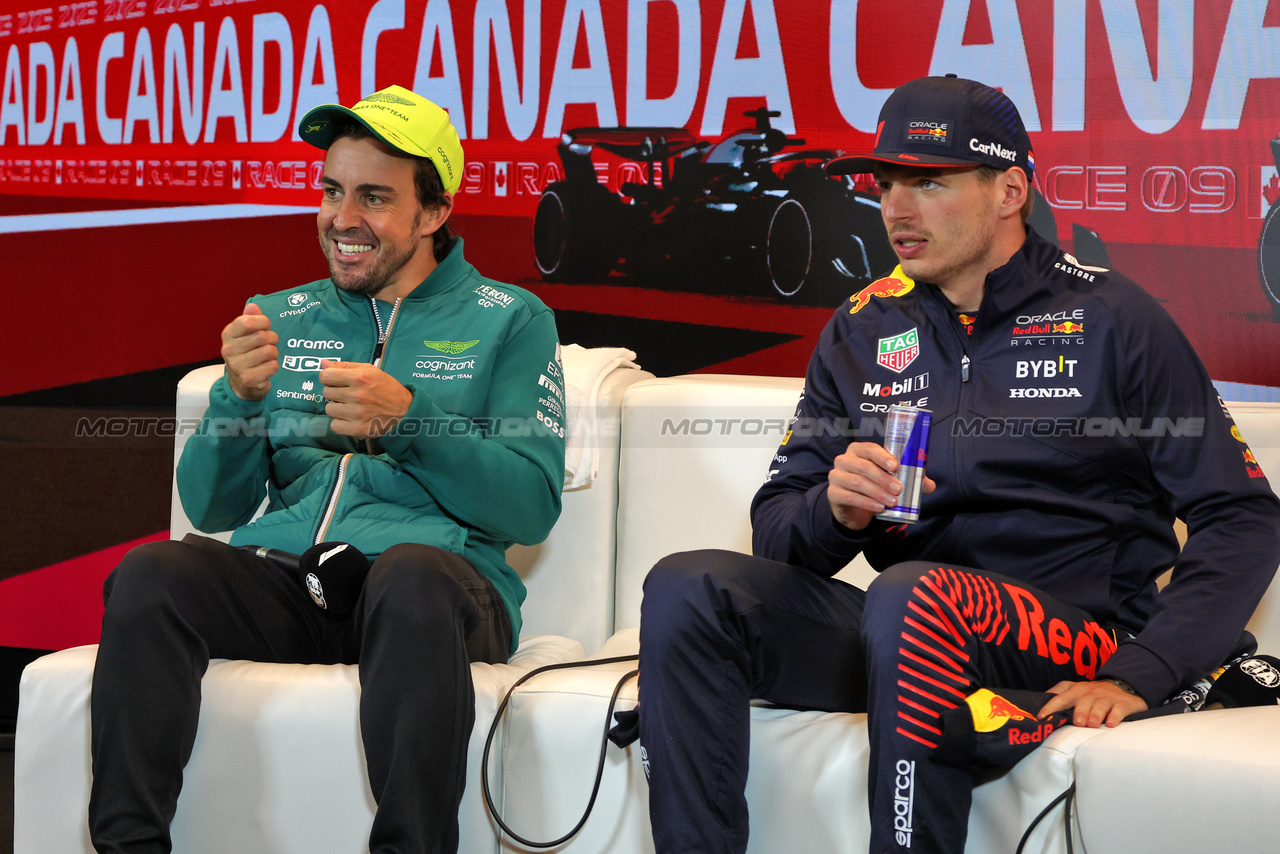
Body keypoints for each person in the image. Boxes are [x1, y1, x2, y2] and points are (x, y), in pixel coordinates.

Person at [635, 74, 1280, 854]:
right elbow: (779, 536)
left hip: (1072, 633)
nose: (896, 210)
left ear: (1010, 188)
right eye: (887, 183)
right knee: (690, 587)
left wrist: (1144, 672)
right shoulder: (863, 326)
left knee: (913, 596)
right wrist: (832, 512)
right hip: (904, 632)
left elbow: (1241, 516)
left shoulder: (1114, 318)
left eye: (929, 183)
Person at [88, 85, 566, 854]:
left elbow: (532, 506)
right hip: (294, 582)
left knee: (410, 574)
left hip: (437, 597)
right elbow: (212, 506)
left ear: (434, 213)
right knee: (152, 574)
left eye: (375, 198)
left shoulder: (510, 319)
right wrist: (236, 399)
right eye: (333, 191)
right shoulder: (280, 316)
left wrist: (409, 423)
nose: (343, 220)